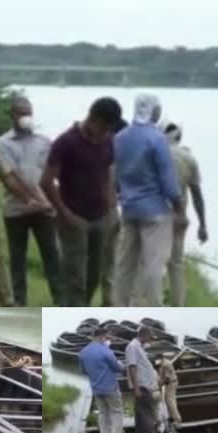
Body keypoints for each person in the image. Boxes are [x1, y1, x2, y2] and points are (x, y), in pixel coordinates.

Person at [41, 98, 122, 306]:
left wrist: (111, 199)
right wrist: (64, 213)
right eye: (103, 127)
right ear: (92, 119)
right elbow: (47, 181)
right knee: (75, 274)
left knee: (94, 272)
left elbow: (108, 169)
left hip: (101, 216)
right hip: (74, 217)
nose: (105, 133)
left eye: (109, 129)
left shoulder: (107, 141)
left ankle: (80, 308)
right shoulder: (66, 142)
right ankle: (73, 311)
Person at [113, 94, 181, 307]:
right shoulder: (157, 139)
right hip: (155, 211)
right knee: (154, 264)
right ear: (154, 111)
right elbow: (168, 181)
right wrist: (179, 209)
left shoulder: (120, 137)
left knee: (125, 263)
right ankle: (154, 307)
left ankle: (120, 305)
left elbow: (116, 174)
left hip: (128, 208)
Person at [0, 97, 61, 306]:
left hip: (43, 211)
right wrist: (31, 199)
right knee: (17, 258)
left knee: (51, 255)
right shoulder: (2, 144)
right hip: (16, 210)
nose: (25, 117)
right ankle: (20, 301)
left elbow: (48, 176)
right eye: (21, 113)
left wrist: (46, 202)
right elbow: (10, 178)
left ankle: (60, 300)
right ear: (12, 115)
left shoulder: (44, 142)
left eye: (28, 112)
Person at [159, 121, 208, 307]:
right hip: (179, 218)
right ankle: (177, 305)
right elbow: (197, 194)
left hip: (154, 217)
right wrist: (202, 225)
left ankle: (155, 303)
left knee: (154, 261)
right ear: (179, 137)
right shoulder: (188, 158)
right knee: (176, 264)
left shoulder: (154, 155)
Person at [100, 116, 129, 306]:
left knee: (110, 260)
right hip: (98, 213)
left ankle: (109, 301)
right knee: (107, 261)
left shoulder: (115, 155)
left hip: (110, 213)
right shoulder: (105, 153)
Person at [78, 327, 125, 433]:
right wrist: (122, 366)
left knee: (103, 414)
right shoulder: (106, 351)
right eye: (105, 337)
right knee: (116, 412)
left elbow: (83, 371)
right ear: (101, 336)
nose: (106, 339)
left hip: (96, 388)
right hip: (110, 387)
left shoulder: (83, 352)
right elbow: (117, 368)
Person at [125, 326, 161, 433]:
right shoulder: (133, 347)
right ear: (143, 335)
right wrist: (136, 388)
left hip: (144, 385)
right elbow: (132, 367)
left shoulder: (139, 346)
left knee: (140, 414)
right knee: (148, 413)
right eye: (150, 337)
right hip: (141, 386)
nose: (150, 340)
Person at [157, 355, 182, 427]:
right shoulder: (162, 364)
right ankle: (171, 417)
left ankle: (177, 419)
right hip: (169, 383)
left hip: (171, 383)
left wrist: (160, 384)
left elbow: (167, 378)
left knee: (171, 401)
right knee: (167, 400)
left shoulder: (166, 364)